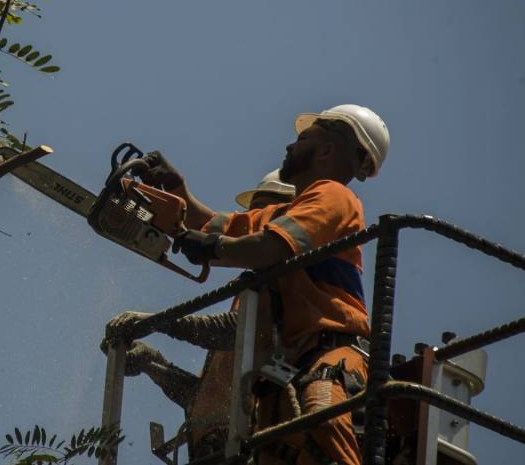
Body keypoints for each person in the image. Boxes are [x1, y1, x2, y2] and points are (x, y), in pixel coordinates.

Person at [116, 104, 389, 465]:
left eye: (303, 139)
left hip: (328, 355)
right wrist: (176, 189)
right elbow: (213, 224)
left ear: (326, 150)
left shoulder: (334, 196)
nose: (290, 146)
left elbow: (268, 248)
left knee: (322, 416)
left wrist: (210, 248)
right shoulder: (282, 214)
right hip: (287, 369)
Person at [100, 171, 296, 458]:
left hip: (259, 441)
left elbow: (231, 331)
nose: (253, 221)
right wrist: (152, 363)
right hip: (216, 447)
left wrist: (156, 322)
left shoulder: (293, 281)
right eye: (252, 213)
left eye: (263, 213)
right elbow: (205, 399)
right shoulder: (249, 290)